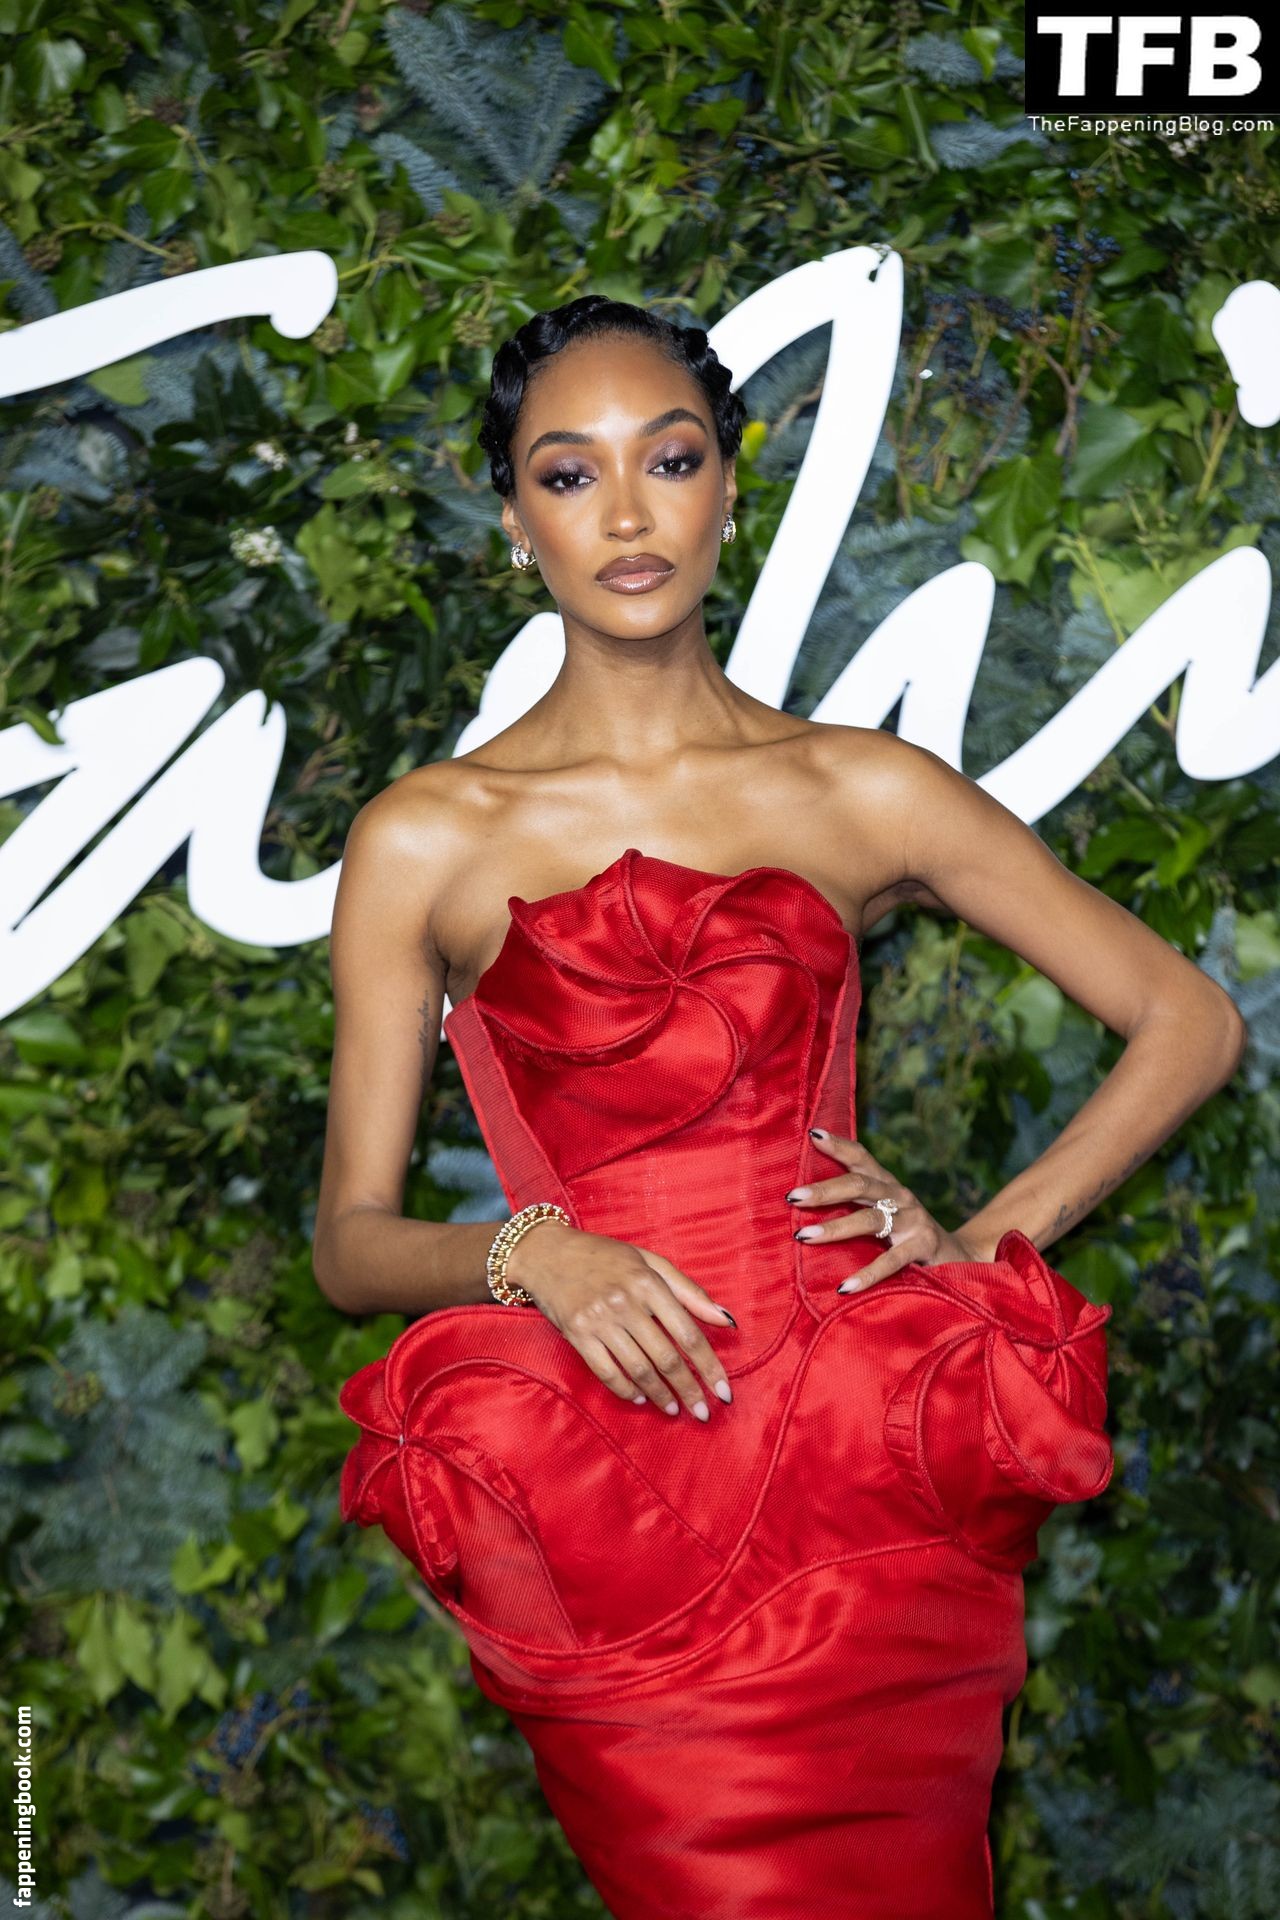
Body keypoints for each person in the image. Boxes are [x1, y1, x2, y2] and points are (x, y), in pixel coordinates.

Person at [315, 295, 1246, 1919]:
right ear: (514, 517)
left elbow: (1189, 1018)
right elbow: (350, 1243)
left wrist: (978, 1247)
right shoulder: (427, 836)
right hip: (615, 1490)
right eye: (569, 473)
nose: (626, 513)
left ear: (730, 489)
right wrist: (531, 1256)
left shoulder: (855, 787)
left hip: (862, 1475)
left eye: (669, 460)